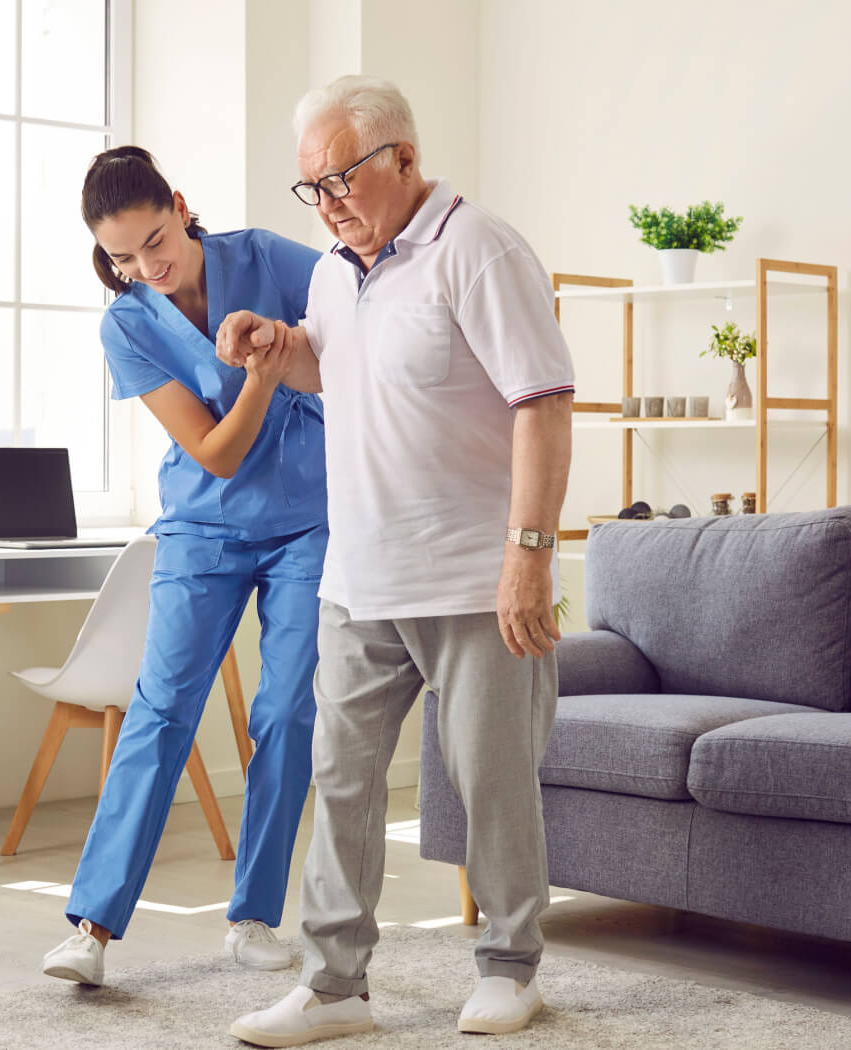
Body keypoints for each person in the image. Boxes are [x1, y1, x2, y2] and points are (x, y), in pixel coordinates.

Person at [218, 76, 575, 1044]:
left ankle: (511, 965)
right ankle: (334, 987)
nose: (327, 202)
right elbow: (337, 367)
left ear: (403, 160)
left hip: (472, 576)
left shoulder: (479, 249)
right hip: (360, 578)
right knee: (340, 778)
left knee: (490, 777)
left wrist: (528, 559)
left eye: (341, 178)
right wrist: (276, 345)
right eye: (311, 187)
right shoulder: (334, 272)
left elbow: (541, 404)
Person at [40, 146, 329, 988]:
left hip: (308, 524)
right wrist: (265, 380)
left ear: (180, 204)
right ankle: (90, 928)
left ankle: (252, 918)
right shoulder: (128, 322)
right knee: (161, 711)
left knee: (284, 713)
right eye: (124, 257)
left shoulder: (270, 258)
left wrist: (290, 349)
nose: (148, 267)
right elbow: (214, 451)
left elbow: (362, 303)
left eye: (156, 241)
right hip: (203, 528)